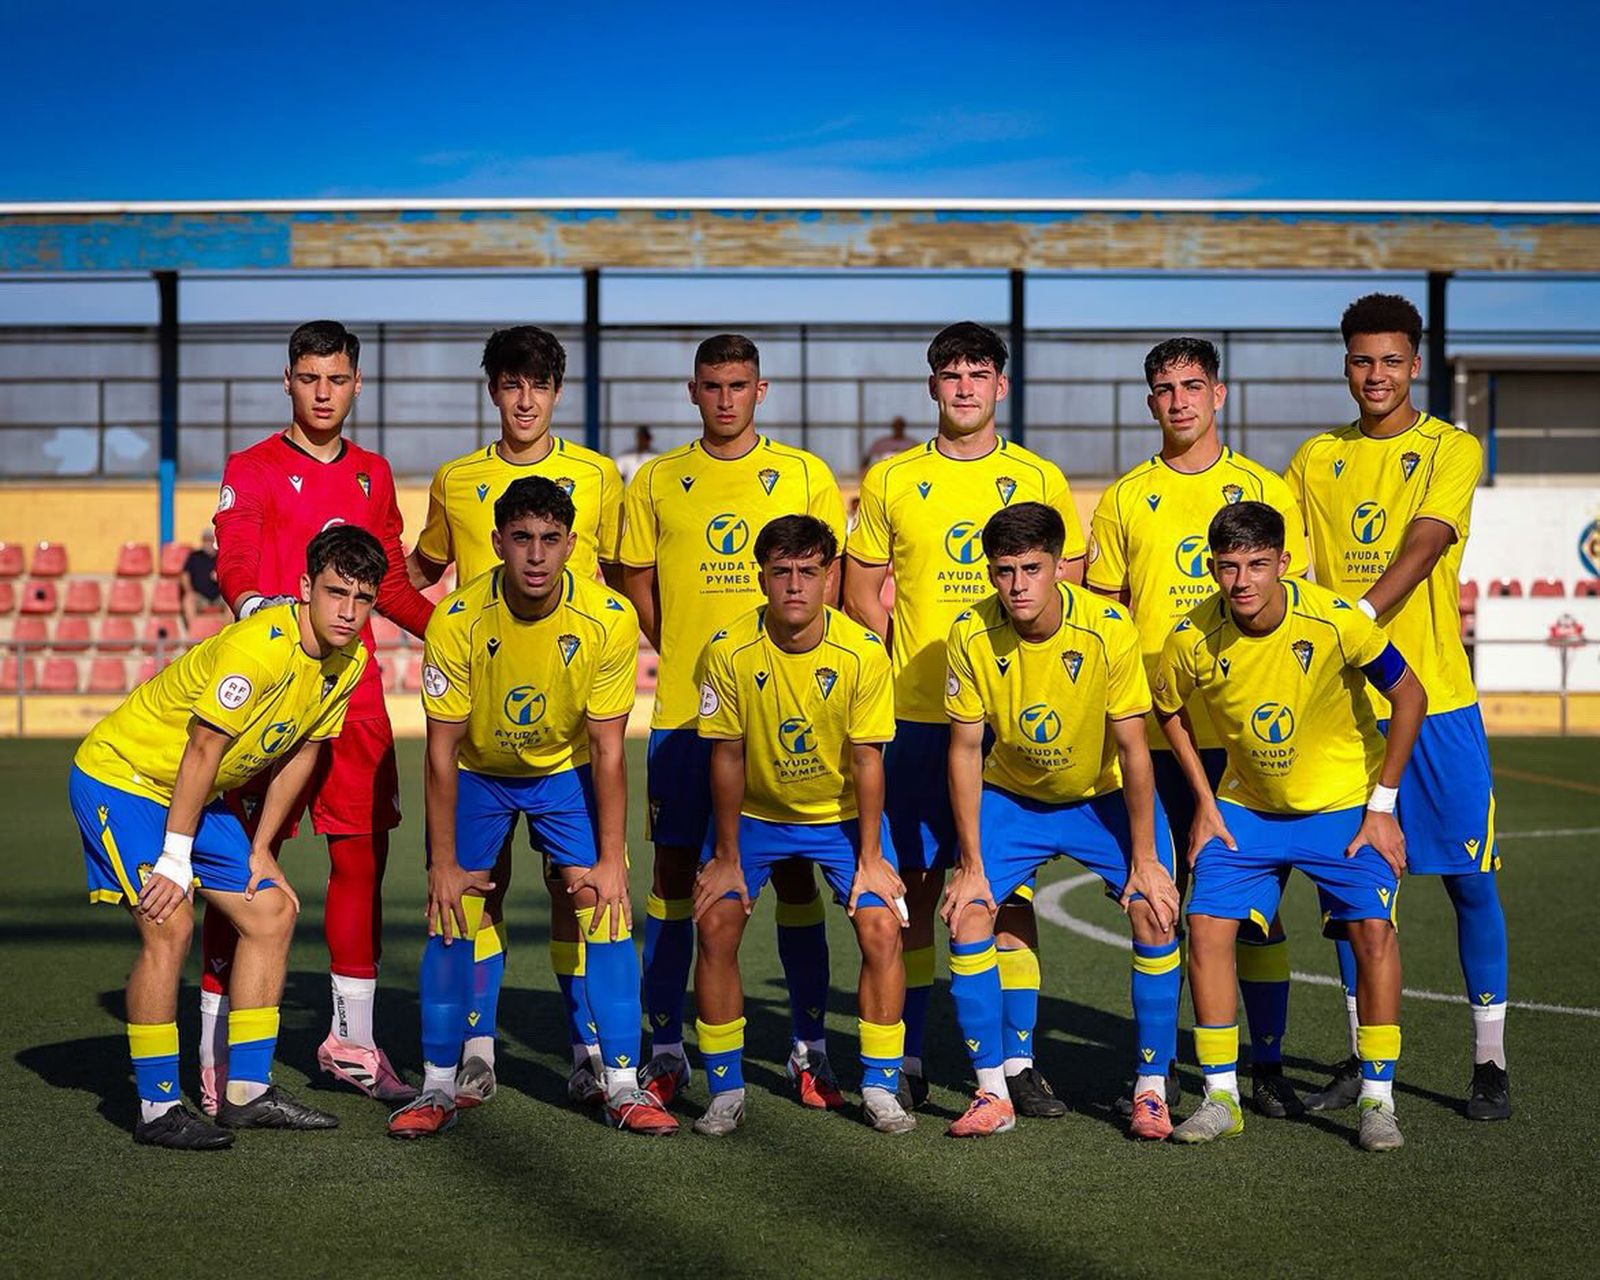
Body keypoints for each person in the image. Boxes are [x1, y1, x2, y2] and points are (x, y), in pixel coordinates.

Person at [67, 525, 383, 1148]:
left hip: (192, 791)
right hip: (123, 779)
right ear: (304, 589)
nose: (348, 611)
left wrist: (262, 846)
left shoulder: (351, 661)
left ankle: (245, 1092)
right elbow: (204, 746)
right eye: (335, 592)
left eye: (363, 598)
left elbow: (304, 751)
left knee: (271, 911)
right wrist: (175, 858)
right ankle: (158, 1109)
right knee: (171, 924)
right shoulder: (258, 648)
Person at [843, 321, 1087, 1117]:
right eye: (950, 374)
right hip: (916, 719)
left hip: (1011, 723)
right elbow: (861, 589)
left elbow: (1071, 594)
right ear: (932, 387)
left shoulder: (1041, 477)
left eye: (978, 373)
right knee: (912, 886)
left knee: (1005, 893)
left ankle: (1017, 1063)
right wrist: (887, 669)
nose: (965, 387)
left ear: (1001, 386)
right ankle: (910, 1052)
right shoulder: (890, 479)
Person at [387, 477, 675, 1138]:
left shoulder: (608, 618)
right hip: (479, 773)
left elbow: (607, 752)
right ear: (497, 544)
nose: (537, 555)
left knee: (602, 904)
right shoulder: (456, 621)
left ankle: (623, 1085)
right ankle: (435, 1087)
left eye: (551, 540)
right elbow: (439, 752)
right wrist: (440, 865)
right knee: (453, 909)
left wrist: (609, 858)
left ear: (572, 545)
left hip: (562, 771)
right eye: (522, 539)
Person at [1286, 293, 1509, 1121]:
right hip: (1346, 710)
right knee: (1355, 897)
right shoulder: (1314, 458)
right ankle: (1360, 1052)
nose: (1374, 375)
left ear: (1415, 363)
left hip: (1440, 703)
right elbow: (1286, 562)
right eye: (1360, 360)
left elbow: (1425, 542)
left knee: (1471, 885)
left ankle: (1489, 1062)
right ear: (1344, 365)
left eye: (1390, 360)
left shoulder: (1451, 446)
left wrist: (1360, 617)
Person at [207, 320, 434, 1112]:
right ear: (288, 381)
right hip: (271, 692)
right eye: (310, 378)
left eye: (337, 378)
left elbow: (394, 586)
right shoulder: (254, 467)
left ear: (358, 383)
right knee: (231, 866)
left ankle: (351, 1043)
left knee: (361, 861)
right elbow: (233, 558)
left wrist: (458, 636)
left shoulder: (374, 475)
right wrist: (256, 610)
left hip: (356, 695)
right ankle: (214, 1049)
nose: (324, 392)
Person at [620, 334, 847, 1111]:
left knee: (791, 873)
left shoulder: (806, 475)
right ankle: (666, 1045)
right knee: (674, 880)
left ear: (762, 389)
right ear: (692, 392)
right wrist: (688, 647)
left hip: (791, 714)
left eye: (739, 385)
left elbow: (830, 580)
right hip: (689, 713)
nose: (725, 398)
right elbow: (637, 581)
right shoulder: (657, 479)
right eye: (712, 386)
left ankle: (809, 1047)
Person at [1154, 501, 1425, 1152]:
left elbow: (1410, 693)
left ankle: (1378, 1101)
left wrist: (1382, 808)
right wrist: (1206, 804)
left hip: (1343, 808)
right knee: (1205, 925)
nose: (1241, 581)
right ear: (1213, 569)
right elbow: (1167, 711)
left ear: (1282, 563)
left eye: (1255, 565)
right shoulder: (1190, 637)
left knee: (1373, 933)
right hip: (1246, 807)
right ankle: (1220, 1095)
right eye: (1227, 567)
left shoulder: (1334, 621)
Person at [1087, 337, 1310, 1119]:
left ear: (1219, 394)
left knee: (1256, 910)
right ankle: (1158, 1072)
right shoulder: (1123, 498)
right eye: (1162, 388)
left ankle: (1268, 1065)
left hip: (1248, 741)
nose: (1177, 400)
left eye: (1191, 385)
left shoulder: (1262, 486)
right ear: (1149, 402)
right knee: (1158, 899)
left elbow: (1295, 611)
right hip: (1152, 738)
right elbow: (1107, 617)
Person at [406, 325, 625, 1109]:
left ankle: (587, 1047)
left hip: (570, 727)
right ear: (493, 390)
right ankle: (475, 1050)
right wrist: (433, 640)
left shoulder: (599, 476)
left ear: (558, 392)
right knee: (477, 893)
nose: (525, 400)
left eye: (539, 385)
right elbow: (420, 572)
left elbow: (627, 580)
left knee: (581, 892)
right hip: (481, 734)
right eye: (510, 384)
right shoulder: (456, 480)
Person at [940, 503, 1181, 1138]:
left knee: (1154, 908)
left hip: (1098, 797)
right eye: (1003, 571)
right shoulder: (968, 632)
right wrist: (968, 864)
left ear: (1057, 567)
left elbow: (1133, 748)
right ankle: (992, 1093)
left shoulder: (1107, 629)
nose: (1017, 585)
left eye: (1031, 568)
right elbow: (965, 749)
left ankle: (1151, 1087)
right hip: (1012, 797)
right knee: (968, 910)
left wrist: (1146, 857)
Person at [689, 515, 913, 1136]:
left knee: (881, 926)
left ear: (830, 577)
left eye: (808, 572)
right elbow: (727, 755)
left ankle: (880, 1085)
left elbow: (869, 760)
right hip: (757, 816)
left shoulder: (863, 652)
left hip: (840, 818)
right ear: (761, 577)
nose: (794, 585)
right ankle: (725, 1089)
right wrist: (728, 856)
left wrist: (869, 857)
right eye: (781, 571)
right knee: (716, 920)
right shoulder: (729, 651)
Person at [180, 527, 225, 632]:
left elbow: (231, 574)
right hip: (200, 597)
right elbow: (184, 575)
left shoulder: (222, 556)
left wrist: (220, 577)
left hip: (219, 597)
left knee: (231, 601)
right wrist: (189, 590)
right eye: (206, 540)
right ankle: (194, 631)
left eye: (210, 539)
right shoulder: (194, 556)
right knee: (188, 600)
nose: (208, 542)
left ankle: (224, 632)